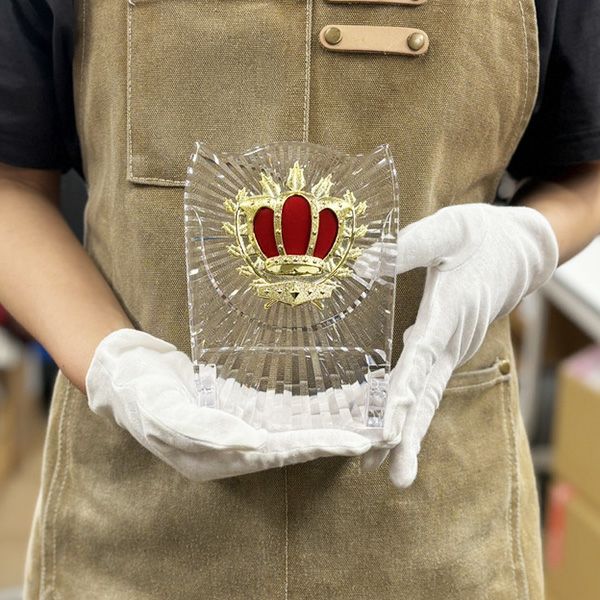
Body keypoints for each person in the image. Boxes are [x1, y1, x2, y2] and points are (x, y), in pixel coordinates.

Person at [1, 0, 599, 598]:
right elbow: (11, 181)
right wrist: (115, 363)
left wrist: (527, 241)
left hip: (436, 507)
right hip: (138, 515)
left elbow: (588, 166)